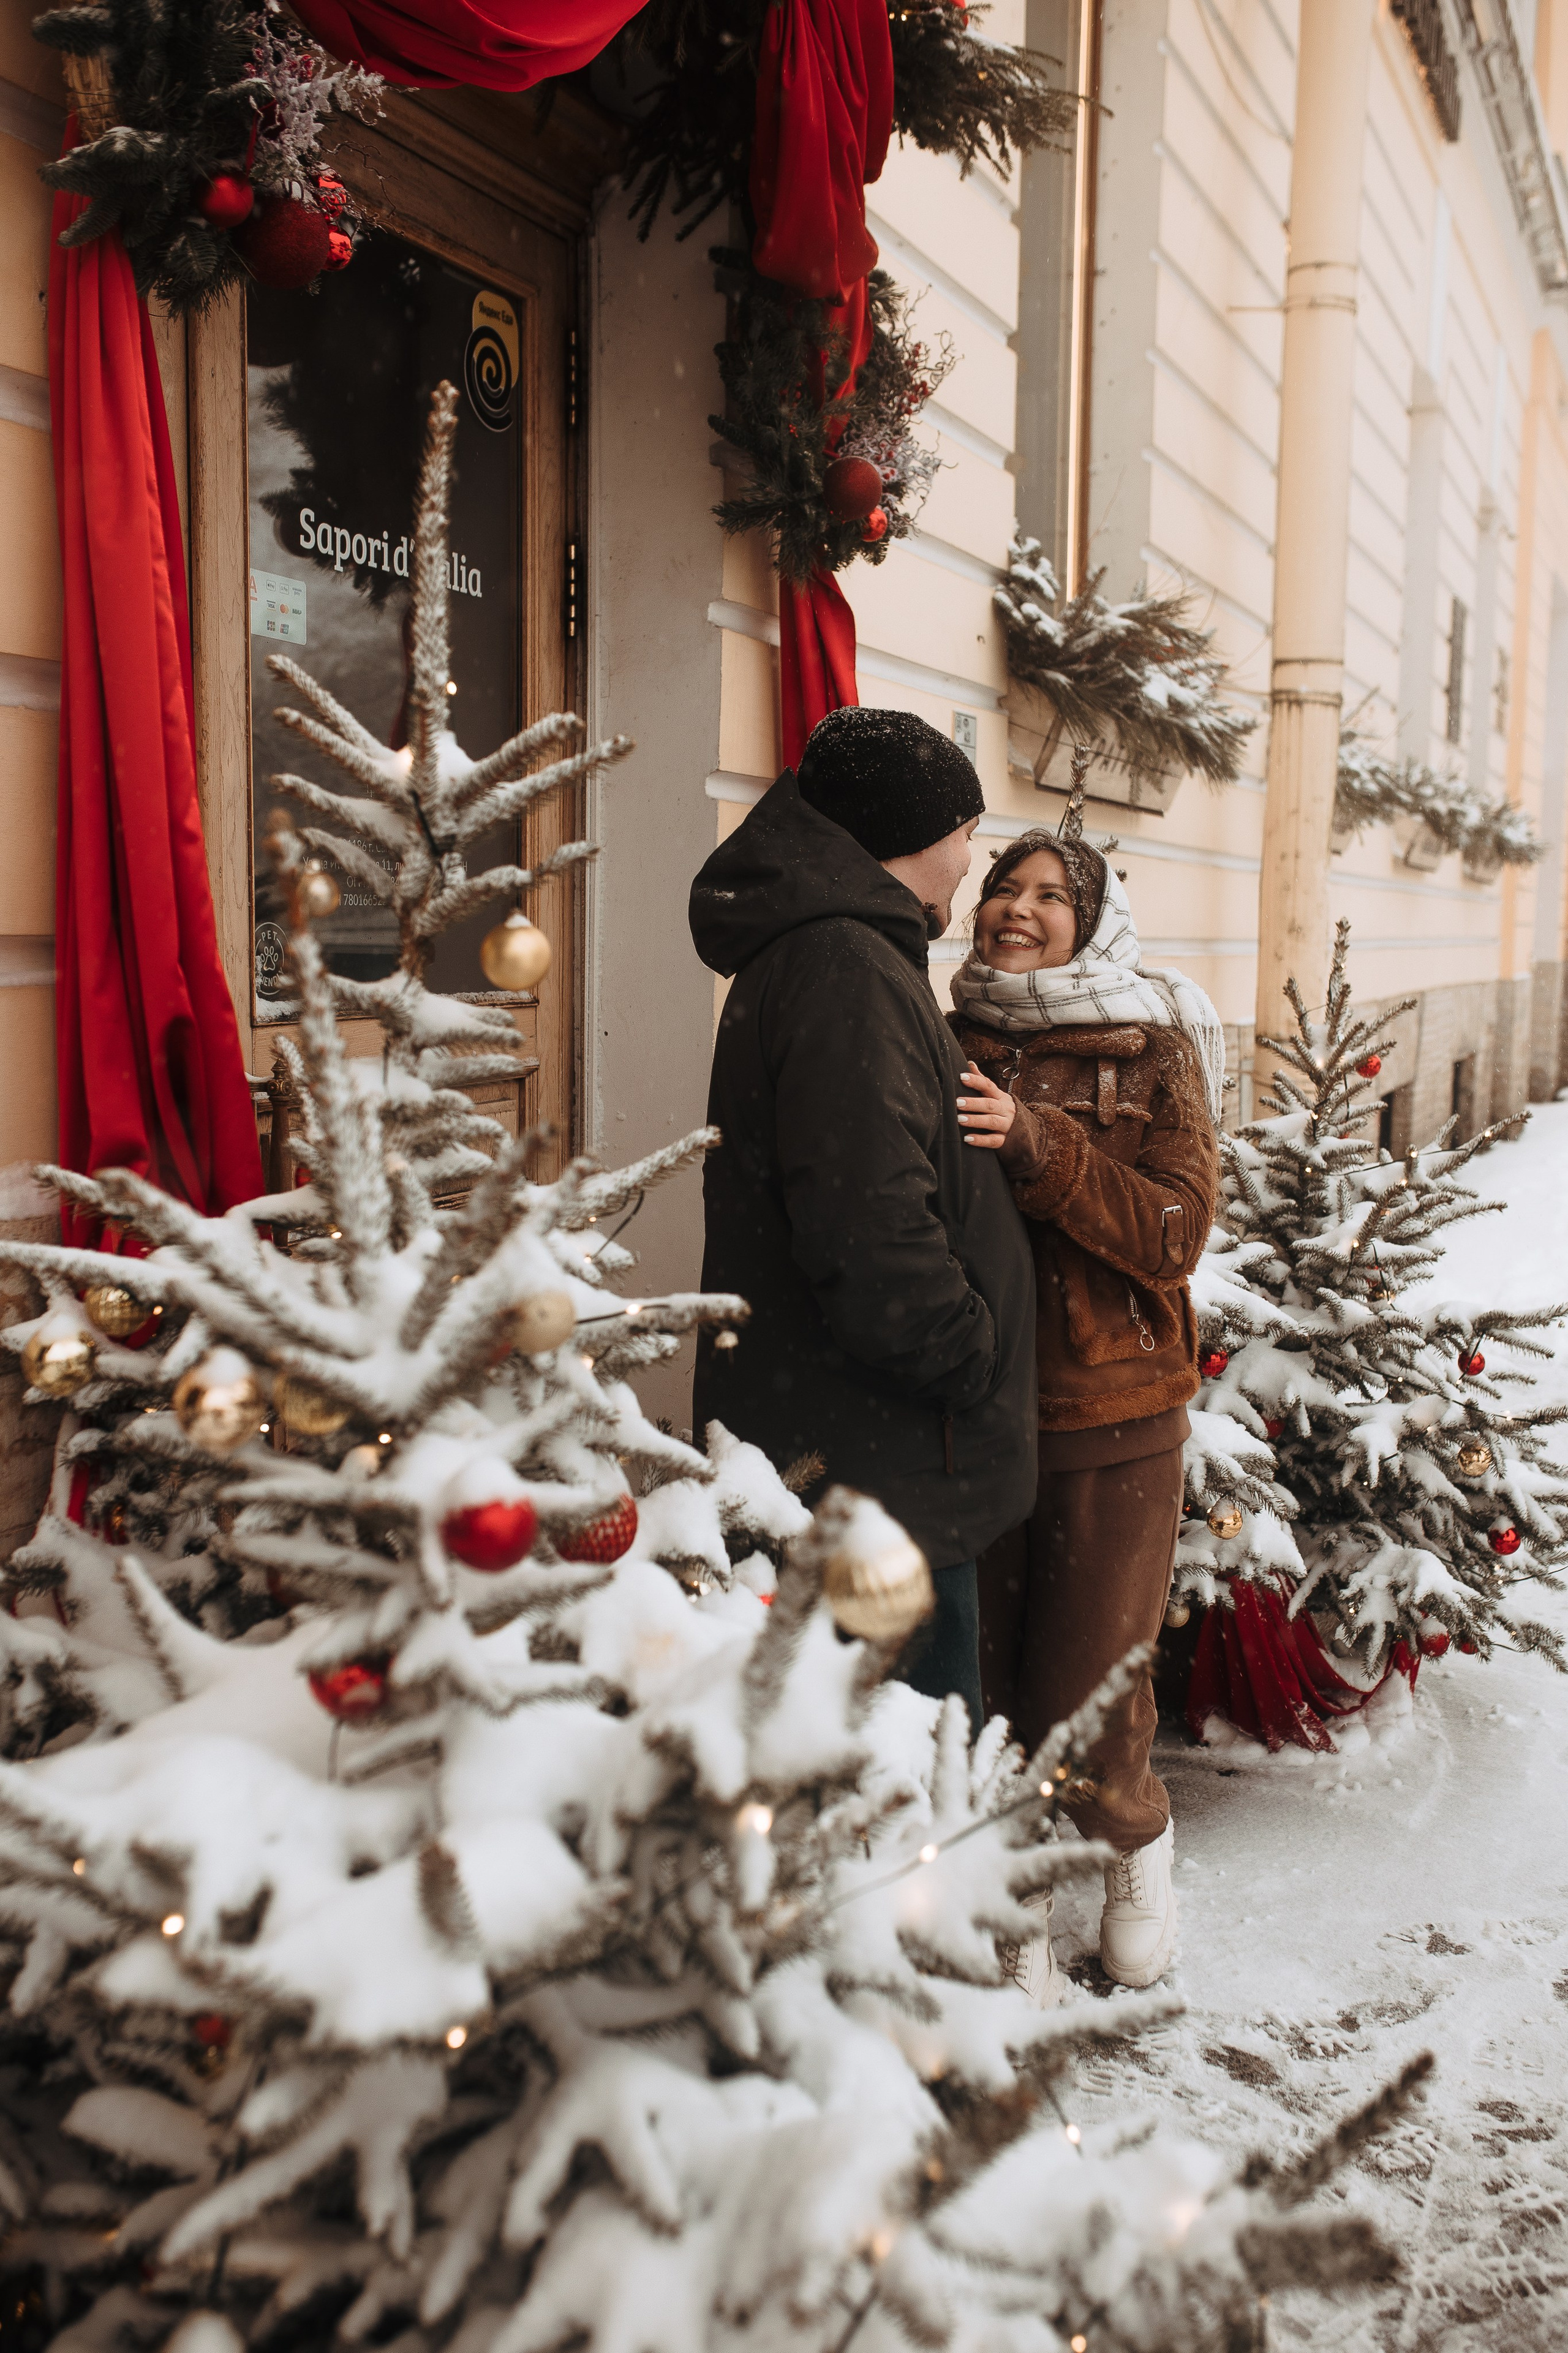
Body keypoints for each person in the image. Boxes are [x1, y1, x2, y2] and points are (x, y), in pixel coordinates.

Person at [688, 706, 1038, 1730]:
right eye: (966, 831)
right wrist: (967, 1354)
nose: (974, 857)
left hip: (872, 1457)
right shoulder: (845, 965)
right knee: (901, 1778)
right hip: (886, 1468)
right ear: (912, 834)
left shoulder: (844, 950)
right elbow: (870, 1226)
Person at [949, 792, 1220, 1998]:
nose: (1018, 909)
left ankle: (1130, 1853)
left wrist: (1036, 1145)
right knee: (993, 1682)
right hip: (978, 1405)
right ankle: (1012, 1907)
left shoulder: (1151, 1043)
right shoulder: (942, 1028)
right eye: (1005, 886)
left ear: (1093, 922)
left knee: (1096, 1674)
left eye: (1050, 895)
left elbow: (1173, 1230)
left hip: (1117, 1412)